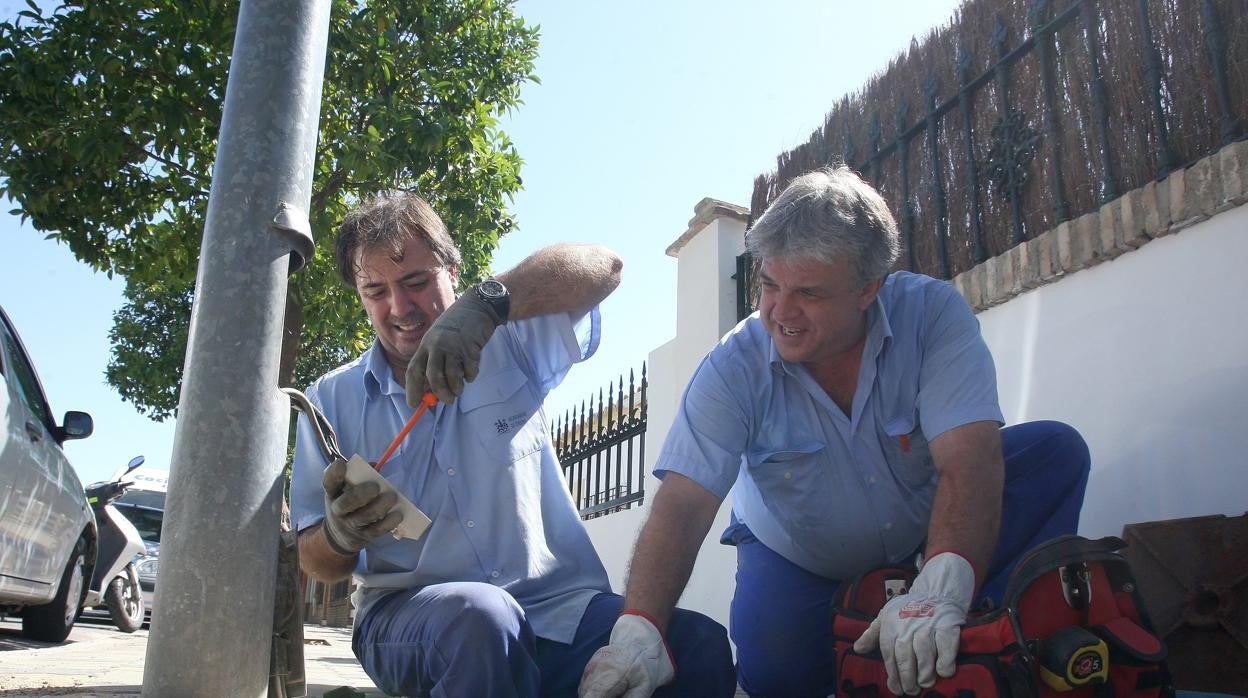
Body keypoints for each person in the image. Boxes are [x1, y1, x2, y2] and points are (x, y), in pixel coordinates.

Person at [579, 166, 1091, 697]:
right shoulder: (732, 368)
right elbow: (682, 505)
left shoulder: (933, 316)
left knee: (1055, 453)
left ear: (869, 287)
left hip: (925, 529)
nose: (780, 312)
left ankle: (988, 635)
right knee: (779, 680)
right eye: (769, 284)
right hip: (794, 553)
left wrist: (942, 583)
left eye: (809, 293)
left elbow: (970, 459)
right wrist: (638, 629)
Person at [289, 191, 735, 698]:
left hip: (558, 609)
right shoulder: (330, 399)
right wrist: (342, 535)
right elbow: (313, 559)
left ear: (452, 271)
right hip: (409, 620)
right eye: (376, 291)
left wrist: (490, 303)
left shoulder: (511, 343)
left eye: (416, 282)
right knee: (483, 620)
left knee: (697, 645)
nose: (399, 307)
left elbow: (605, 266)